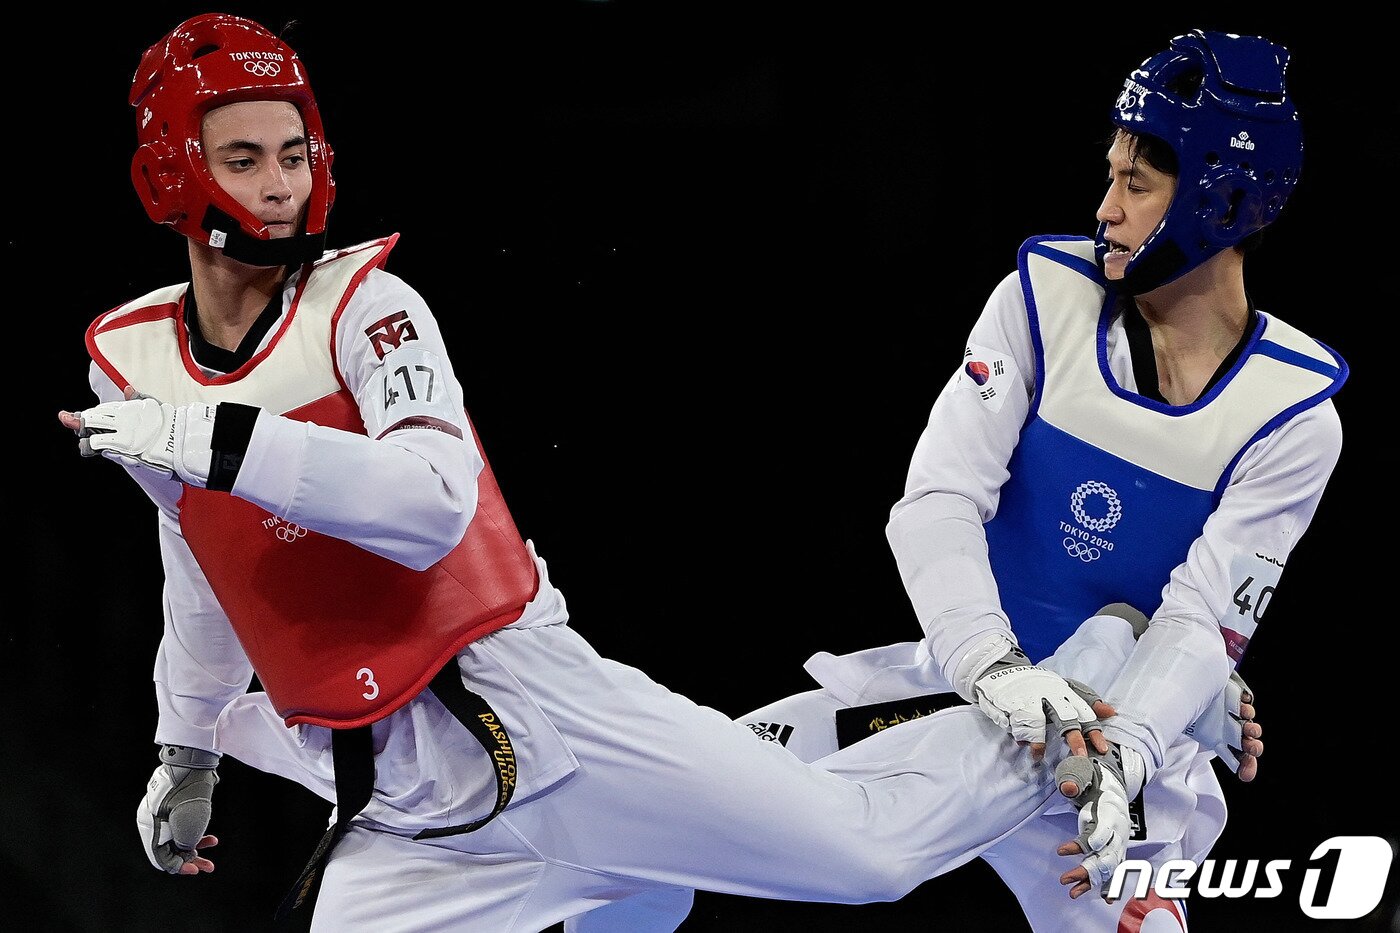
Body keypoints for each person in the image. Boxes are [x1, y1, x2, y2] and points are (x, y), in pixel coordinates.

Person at [56, 13, 1169, 932]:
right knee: (639, 906)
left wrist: (219, 442)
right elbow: (199, 557)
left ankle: (1083, 689)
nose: (280, 186)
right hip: (403, 809)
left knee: (865, 858)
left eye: (292, 154)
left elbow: (432, 508)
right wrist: (187, 744)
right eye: (243, 159)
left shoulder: (368, 309)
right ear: (171, 170)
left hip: (542, 718)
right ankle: (680, 834)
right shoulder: (133, 359)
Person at [594, 26, 1343, 933]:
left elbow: (1203, 616)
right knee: (652, 817)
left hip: (1107, 762)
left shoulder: (1292, 417)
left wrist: (1136, 745)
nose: (1105, 207)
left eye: (1134, 184)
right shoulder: (1040, 300)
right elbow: (937, 501)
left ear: (1221, 200)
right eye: (1110, 174)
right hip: (964, 692)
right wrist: (992, 667)